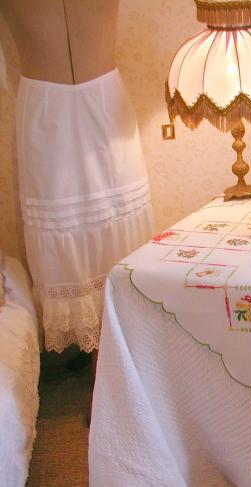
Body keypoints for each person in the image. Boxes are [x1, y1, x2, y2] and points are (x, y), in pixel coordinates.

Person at [0, 0, 154, 353]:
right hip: (43, 106)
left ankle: (127, 335)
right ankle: (91, 349)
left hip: (106, 101)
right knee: (59, 217)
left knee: (118, 214)